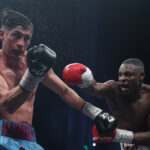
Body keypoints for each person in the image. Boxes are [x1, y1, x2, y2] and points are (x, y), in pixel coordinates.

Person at [0, 8, 117, 150]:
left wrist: (96, 114)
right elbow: (7, 105)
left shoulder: (35, 61)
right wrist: (34, 74)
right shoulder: (33, 67)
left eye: (26, 38)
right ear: (2, 34)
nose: (21, 43)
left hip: (28, 138)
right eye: (16, 35)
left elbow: (64, 91)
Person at [63, 58, 150, 150]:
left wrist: (117, 135)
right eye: (120, 75)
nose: (122, 78)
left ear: (141, 76)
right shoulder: (114, 90)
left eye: (128, 75)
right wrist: (85, 79)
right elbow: (95, 88)